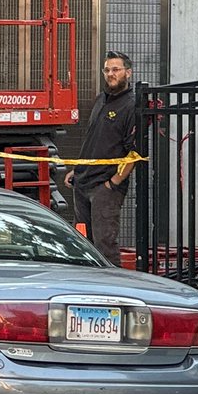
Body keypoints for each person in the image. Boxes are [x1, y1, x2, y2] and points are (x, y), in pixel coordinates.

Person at [66, 51, 136, 265]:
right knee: (82, 243)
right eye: (107, 70)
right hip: (83, 182)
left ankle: (112, 291)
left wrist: (112, 184)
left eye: (116, 69)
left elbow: (134, 153)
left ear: (128, 73)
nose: (110, 74)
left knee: (104, 244)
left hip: (104, 188)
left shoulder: (131, 105)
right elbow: (93, 138)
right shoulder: (101, 99)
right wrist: (77, 169)